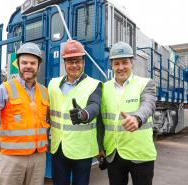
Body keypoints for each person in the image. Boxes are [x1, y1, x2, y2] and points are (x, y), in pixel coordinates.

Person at [0, 42, 49, 185]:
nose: (28, 66)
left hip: (38, 157)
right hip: (12, 159)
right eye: (24, 62)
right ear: (18, 64)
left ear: (38, 66)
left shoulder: (44, 91)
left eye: (33, 63)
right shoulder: (6, 88)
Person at [99, 41, 157, 185]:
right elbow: (101, 121)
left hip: (140, 154)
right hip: (113, 154)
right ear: (111, 65)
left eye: (124, 62)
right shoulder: (103, 88)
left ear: (132, 63)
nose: (121, 67)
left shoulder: (145, 83)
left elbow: (148, 104)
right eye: (116, 63)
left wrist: (137, 118)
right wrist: (100, 147)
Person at [48, 40, 102, 185]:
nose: (74, 65)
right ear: (64, 63)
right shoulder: (53, 84)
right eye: (70, 61)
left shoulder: (94, 84)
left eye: (77, 61)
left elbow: (95, 106)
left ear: (83, 62)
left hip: (82, 150)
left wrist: (83, 114)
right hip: (58, 148)